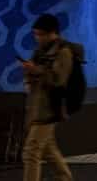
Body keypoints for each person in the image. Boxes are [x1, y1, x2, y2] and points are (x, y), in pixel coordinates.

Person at [21, 13, 83, 181]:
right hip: (37, 105)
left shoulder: (63, 52)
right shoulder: (40, 51)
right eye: (35, 34)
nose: (37, 38)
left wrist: (36, 71)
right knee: (48, 149)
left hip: (51, 108)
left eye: (40, 34)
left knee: (31, 151)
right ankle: (64, 177)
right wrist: (30, 73)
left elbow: (59, 80)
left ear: (52, 33)